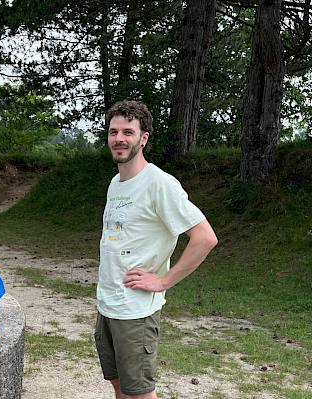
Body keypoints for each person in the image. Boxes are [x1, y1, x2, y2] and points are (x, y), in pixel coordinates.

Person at [95, 100, 218, 399]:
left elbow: (205, 237)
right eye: (113, 132)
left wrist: (163, 281)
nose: (119, 139)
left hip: (136, 310)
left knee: (140, 393)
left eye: (128, 132)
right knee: (119, 385)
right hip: (108, 305)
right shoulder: (116, 183)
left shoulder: (160, 184)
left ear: (143, 138)